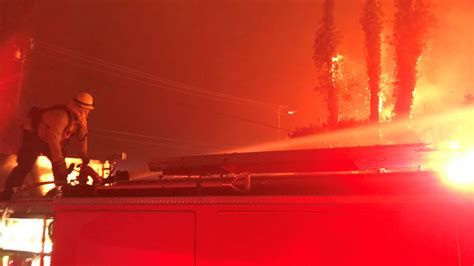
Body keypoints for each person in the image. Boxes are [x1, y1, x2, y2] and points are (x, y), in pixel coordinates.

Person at [0, 92, 94, 200]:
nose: (88, 112)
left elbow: (82, 137)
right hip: (34, 136)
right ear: (81, 108)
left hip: (48, 138)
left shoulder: (80, 120)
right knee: (25, 164)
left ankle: (62, 190)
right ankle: (9, 192)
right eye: (88, 109)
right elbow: (53, 139)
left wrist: (83, 155)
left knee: (60, 168)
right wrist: (59, 161)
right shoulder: (62, 116)